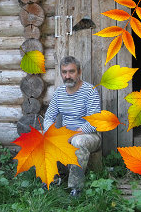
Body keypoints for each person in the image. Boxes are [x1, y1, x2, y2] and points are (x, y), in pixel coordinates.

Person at [43, 56, 101, 197]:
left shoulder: (90, 91)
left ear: (79, 72)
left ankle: (76, 188)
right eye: (64, 72)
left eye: (71, 72)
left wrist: (73, 134)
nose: (67, 76)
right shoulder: (59, 93)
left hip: (88, 135)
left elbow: (94, 122)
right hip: (66, 135)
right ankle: (52, 180)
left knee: (77, 142)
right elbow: (49, 117)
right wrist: (52, 133)